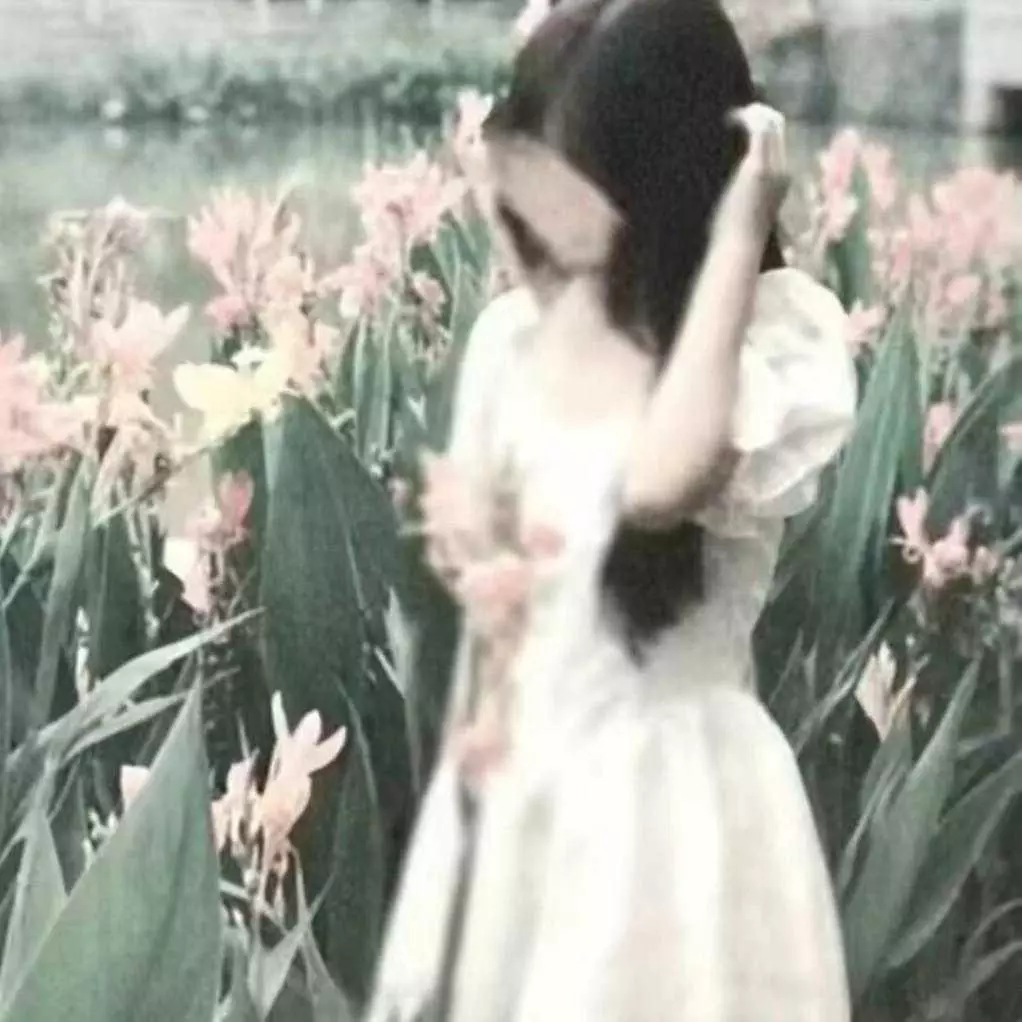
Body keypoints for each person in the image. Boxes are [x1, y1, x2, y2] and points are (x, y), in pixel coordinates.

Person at [367, 0, 857, 1019]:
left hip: (672, 820)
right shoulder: (513, 343)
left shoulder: (761, 355)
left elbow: (656, 481)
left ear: (667, 201)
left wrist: (739, 235)